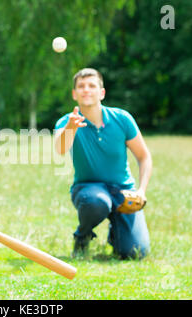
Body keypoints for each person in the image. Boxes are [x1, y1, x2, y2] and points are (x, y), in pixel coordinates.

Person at [54, 68, 152, 259]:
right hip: (88, 189)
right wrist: (71, 128)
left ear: (102, 92)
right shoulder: (67, 122)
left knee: (135, 253)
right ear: (74, 94)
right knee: (98, 202)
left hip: (123, 191)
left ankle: (117, 235)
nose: (86, 90)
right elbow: (60, 149)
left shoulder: (122, 119)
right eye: (81, 86)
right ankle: (82, 237)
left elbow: (144, 157)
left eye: (92, 85)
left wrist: (141, 190)